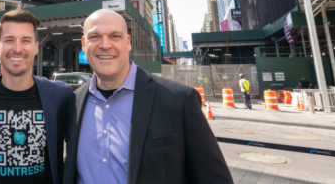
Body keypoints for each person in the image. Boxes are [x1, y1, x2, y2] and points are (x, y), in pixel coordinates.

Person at [64, 9, 232, 183]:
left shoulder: (179, 100)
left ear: (128, 43)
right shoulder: (73, 103)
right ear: (83, 44)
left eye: (115, 36)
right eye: (94, 37)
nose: (105, 45)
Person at [0, 10, 72, 184]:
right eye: (9, 40)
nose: (17, 48)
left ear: (36, 47)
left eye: (26, 40)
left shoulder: (61, 95)